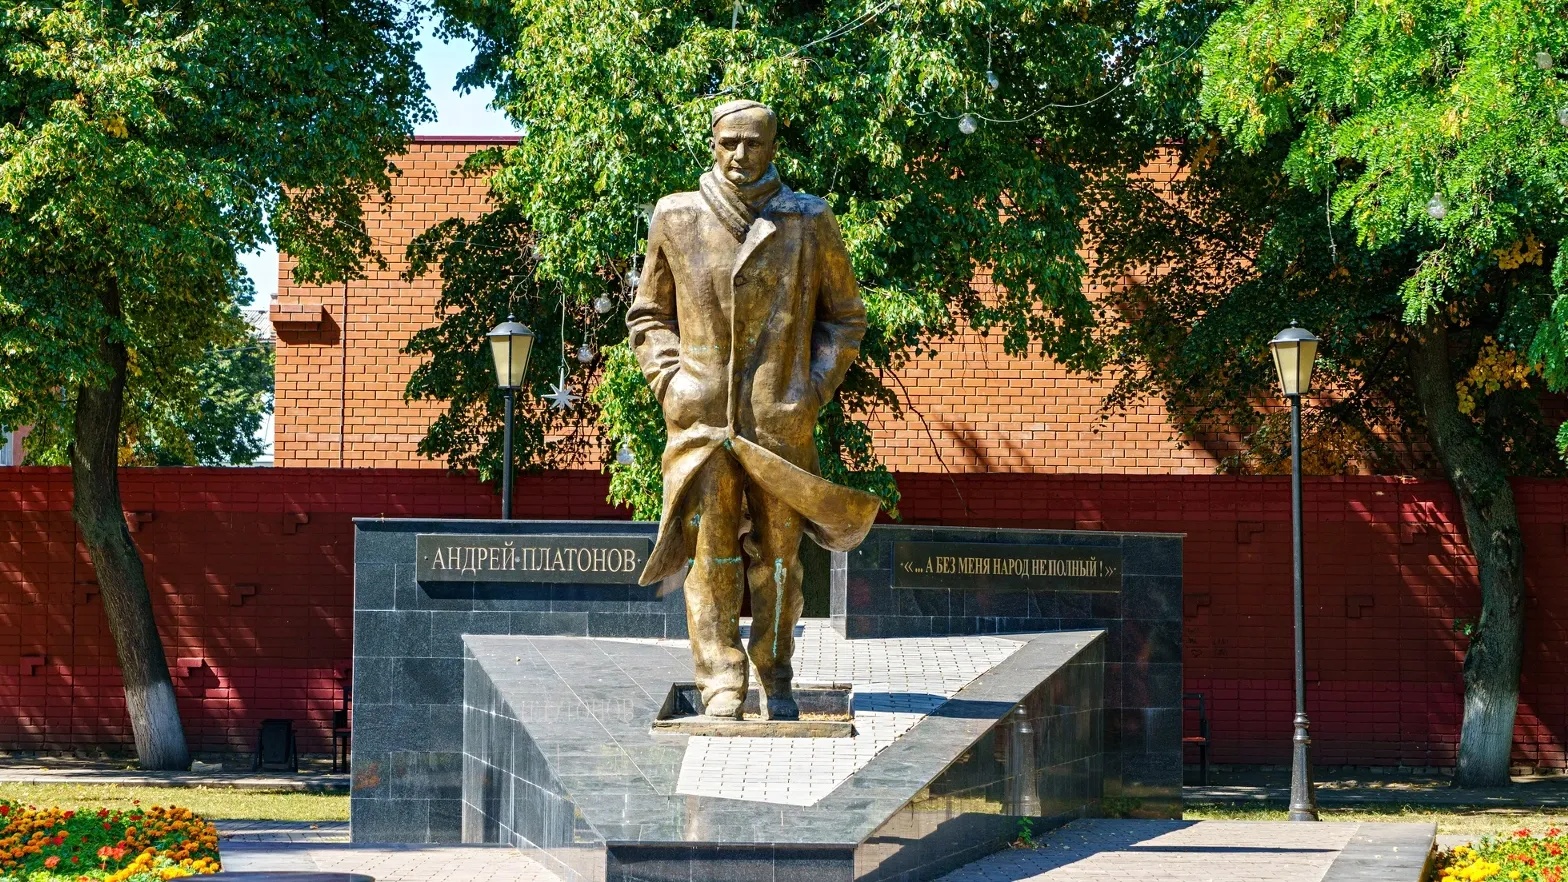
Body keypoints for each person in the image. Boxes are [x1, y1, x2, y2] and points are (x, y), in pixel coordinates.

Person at [627, 99, 878, 720]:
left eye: (754, 143)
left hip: (778, 422)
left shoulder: (808, 220)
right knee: (709, 555)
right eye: (729, 142)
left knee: (781, 558)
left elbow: (845, 319)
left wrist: (808, 393)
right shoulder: (676, 215)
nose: (741, 156)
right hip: (701, 419)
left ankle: (777, 671)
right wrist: (671, 382)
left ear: (774, 147)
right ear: (712, 143)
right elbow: (649, 317)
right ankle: (720, 680)